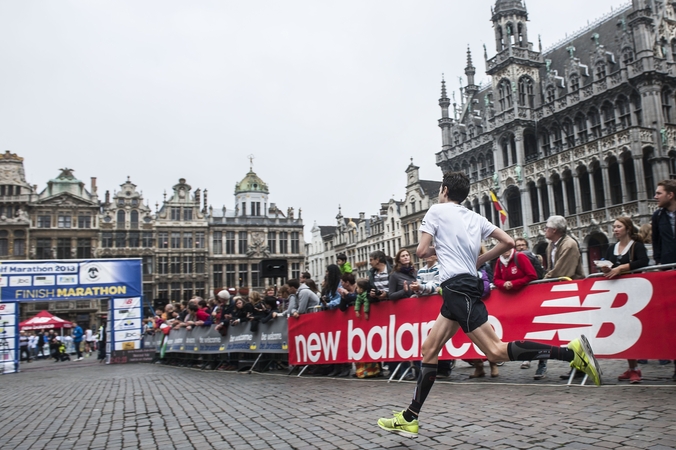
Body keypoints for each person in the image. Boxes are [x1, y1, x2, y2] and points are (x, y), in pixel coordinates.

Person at [377, 171, 602, 438]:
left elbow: (422, 252)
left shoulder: (436, 211)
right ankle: (410, 417)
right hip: (460, 286)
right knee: (429, 348)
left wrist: (445, 249)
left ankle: (570, 352)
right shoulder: (475, 217)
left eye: (440, 189)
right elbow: (507, 242)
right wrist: (479, 260)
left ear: (445, 190)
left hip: (456, 287)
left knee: (494, 351)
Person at [598, 217, 649, 384]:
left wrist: (622, 267)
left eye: (619, 226)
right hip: (616, 293)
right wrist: (605, 267)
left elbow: (643, 262)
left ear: (628, 228)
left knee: (632, 329)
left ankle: (635, 369)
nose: (615, 229)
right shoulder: (612, 247)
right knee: (622, 329)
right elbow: (606, 262)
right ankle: (631, 366)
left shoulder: (636, 246)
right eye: (614, 227)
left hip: (633, 291)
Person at [543, 215, 586, 380]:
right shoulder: (551, 245)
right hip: (561, 290)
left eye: (547, 227)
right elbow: (552, 268)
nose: (545, 229)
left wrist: (542, 281)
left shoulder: (569, 245)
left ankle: (581, 364)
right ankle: (577, 364)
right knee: (570, 330)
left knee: (576, 330)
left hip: (572, 290)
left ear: (554, 230)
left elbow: (562, 271)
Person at [493, 246, 539, 375]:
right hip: (511, 301)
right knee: (518, 329)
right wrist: (504, 284)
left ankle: (536, 358)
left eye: (506, 248)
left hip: (526, 298)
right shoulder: (499, 262)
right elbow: (496, 279)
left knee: (532, 329)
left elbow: (532, 275)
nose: (504, 250)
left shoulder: (520, 257)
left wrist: (514, 283)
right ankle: (524, 354)